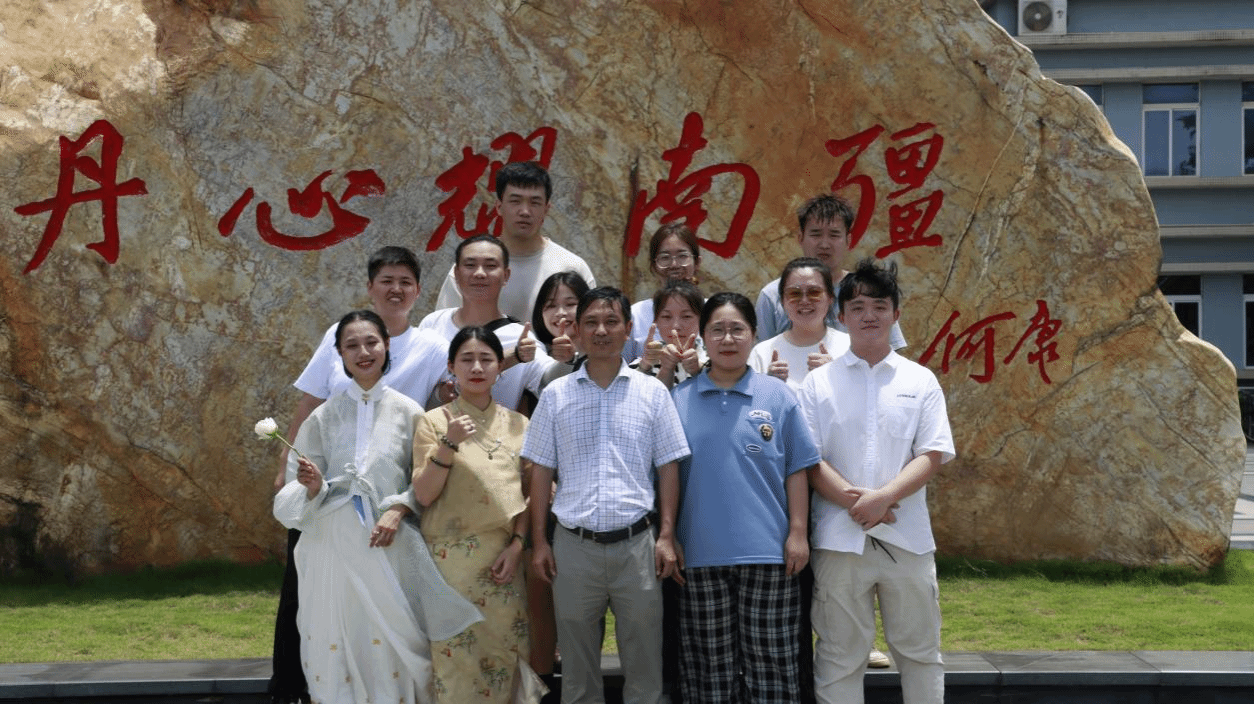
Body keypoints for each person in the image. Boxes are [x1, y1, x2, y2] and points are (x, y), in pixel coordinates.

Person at [272, 310, 481, 704]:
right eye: (351, 345)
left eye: (371, 342)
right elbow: (297, 489)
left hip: (387, 543)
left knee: (395, 638)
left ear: (386, 345)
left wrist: (399, 509)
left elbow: (423, 480)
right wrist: (314, 486)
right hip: (330, 545)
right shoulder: (323, 416)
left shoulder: (410, 412)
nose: (363, 352)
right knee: (334, 635)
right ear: (339, 354)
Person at [523, 287, 691, 704]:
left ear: (628, 328)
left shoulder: (652, 392)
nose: (601, 331)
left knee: (645, 667)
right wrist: (540, 542)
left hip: (637, 546)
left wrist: (666, 535)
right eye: (592, 323)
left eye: (611, 321)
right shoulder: (556, 394)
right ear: (577, 330)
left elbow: (668, 466)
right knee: (577, 673)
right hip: (573, 547)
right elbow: (540, 471)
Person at [799, 260, 955, 704]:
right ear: (841, 316)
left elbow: (932, 453)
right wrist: (862, 505)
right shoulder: (818, 383)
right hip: (838, 541)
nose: (869, 315)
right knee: (839, 656)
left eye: (880, 306)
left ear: (895, 314)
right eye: (858, 306)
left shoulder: (920, 380)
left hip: (907, 539)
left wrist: (884, 498)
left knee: (920, 653)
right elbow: (810, 459)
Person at [670, 292, 820, 704]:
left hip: (769, 554)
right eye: (717, 330)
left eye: (737, 329)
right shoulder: (677, 400)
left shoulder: (778, 396)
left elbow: (796, 469)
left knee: (772, 663)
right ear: (702, 338)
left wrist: (798, 533)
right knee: (708, 670)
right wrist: (670, 535)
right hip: (698, 555)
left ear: (754, 335)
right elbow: (668, 478)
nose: (727, 338)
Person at [412, 327, 546, 703]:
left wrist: (518, 545)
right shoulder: (433, 422)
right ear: (451, 366)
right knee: (454, 661)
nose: (476, 367)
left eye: (486, 359)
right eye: (466, 359)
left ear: (499, 367)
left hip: (503, 562)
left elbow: (529, 494)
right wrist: (448, 444)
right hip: (449, 565)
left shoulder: (519, 425)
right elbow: (424, 493)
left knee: (505, 654)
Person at [435, 162, 596, 321]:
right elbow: (442, 329)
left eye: (535, 202)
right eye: (515, 201)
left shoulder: (572, 268)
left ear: (546, 209)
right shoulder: (473, 269)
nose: (525, 211)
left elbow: (589, 328)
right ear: (499, 207)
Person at [754, 194, 907, 350]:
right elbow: (764, 355)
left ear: (848, 240)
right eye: (816, 234)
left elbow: (892, 354)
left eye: (834, 235)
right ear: (800, 238)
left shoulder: (871, 291)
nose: (824, 244)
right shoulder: (771, 295)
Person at [419, 234, 549, 411]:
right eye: (470, 265)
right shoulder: (433, 324)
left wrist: (568, 359)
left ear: (506, 275)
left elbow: (551, 379)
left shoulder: (521, 338)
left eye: (490, 266)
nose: (479, 273)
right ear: (456, 273)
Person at [749, 258, 850, 390]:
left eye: (814, 292)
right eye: (794, 293)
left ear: (830, 298)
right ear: (782, 301)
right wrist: (768, 386)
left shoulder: (850, 347)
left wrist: (836, 375)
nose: (804, 301)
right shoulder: (761, 353)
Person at [624, 222, 702, 361]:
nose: (674, 265)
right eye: (665, 257)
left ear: (697, 262)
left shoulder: (714, 311)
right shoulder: (636, 314)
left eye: (682, 256)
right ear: (653, 265)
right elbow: (622, 365)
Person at [636, 279, 707, 389]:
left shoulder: (715, 360)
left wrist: (699, 370)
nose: (676, 326)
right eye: (666, 317)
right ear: (656, 321)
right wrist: (657, 367)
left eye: (686, 316)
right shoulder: (643, 365)